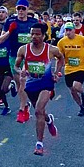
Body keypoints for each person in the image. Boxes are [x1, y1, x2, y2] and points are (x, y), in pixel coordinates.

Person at [14, 23, 64, 156]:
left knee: (37, 111)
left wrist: (56, 73)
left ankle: (39, 144)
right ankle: (49, 120)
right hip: (31, 86)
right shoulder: (23, 50)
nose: (34, 36)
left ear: (43, 35)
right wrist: (21, 72)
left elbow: (61, 58)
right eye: (32, 34)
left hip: (46, 85)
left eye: (37, 34)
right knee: (40, 112)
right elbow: (16, 66)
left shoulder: (51, 50)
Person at [0, 0, 37, 124]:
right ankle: (25, 106)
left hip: (29, 57)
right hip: (14, 56)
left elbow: (41, 39)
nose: (20, 11)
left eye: (23, 8)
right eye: (18, 8)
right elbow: (1, 40)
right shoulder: (10, 21)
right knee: (21, 85)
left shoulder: (33, 22)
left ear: (27, 9)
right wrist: (10, 30)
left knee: (24, 82)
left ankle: (21, 109)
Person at [57, 22, 84, 117]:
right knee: (72, 90)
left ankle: (83, 93)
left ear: (74, 30)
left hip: (81, 66)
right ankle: (81, 107)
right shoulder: (61, 42)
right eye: (66, 30)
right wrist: (57, 70)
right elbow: (59, 56)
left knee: (76, 86)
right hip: (69, 68)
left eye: (70, 30)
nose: (68, 32)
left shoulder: (82, 39)